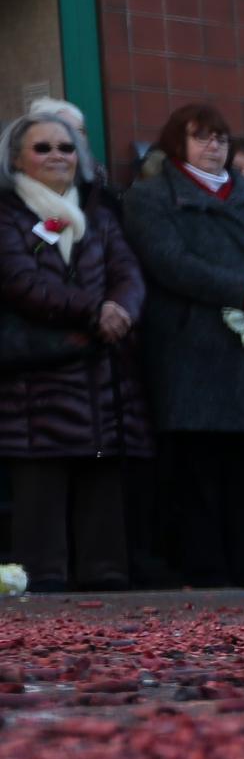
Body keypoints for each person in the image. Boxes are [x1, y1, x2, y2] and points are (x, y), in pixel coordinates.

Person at [123, 103, 244, 586]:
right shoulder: (151, 196)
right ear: (176, 143)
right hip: (194, 345)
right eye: (202, 137)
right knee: (199, 467)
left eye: (221, 139)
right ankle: (204, 570)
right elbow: (170, 262)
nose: (215, 147)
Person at [0, 110, 150, 590]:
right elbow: (19, 282)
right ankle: (40, 591)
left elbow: (128, 273)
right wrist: (96, 311)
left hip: (100, 375)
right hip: (35, 378)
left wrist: (121, 309)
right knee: (40, 489)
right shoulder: (5, 214)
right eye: (42, 147)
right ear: (16, 159)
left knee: (103, 486)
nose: (57, 156)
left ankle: (105, 583)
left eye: (65, 147)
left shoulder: (101, 215)